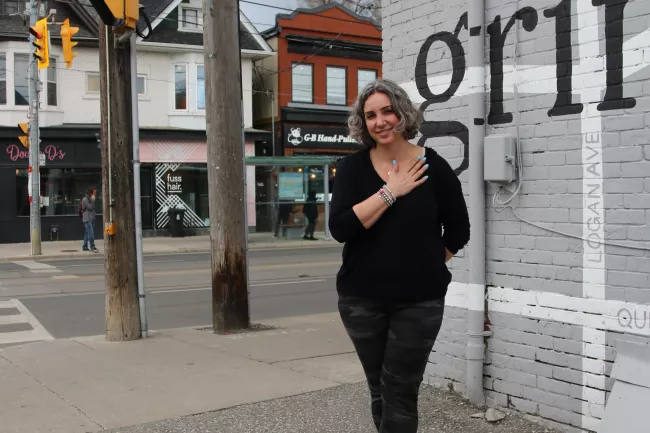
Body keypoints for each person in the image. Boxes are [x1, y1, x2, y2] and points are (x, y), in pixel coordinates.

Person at [328, 78, 470, 433]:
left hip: (419, 302)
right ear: (364, 123)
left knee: (401, 390)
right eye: (371, 115)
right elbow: (341, 229)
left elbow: (459, 230)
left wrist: (426, 264)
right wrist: (392, 190)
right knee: (380, 388)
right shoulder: (351, 170)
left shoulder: (432, 168)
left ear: (402, 113)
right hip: (361, 300)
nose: (381, 121)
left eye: (387, 111)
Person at [81, 187, 99, 253]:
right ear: (91, 193)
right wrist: (93, 200)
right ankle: (92, 247)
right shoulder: (85, 199)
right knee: (91, 233)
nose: (95, 194)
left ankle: (85, 246)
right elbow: (90, 207)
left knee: (87, 232)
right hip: (87, 218)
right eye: (94, 192)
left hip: (91, 217)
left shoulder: (90, 199)